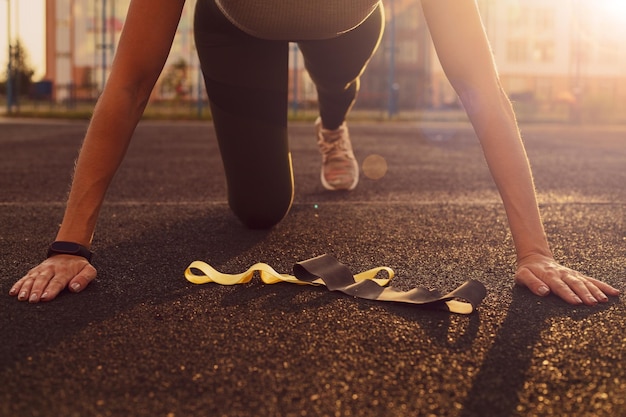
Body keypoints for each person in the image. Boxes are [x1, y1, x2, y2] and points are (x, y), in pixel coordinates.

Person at [9, 0, 620, 305]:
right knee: (260, 208)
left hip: (345, 29)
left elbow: (478, 83)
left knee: (335, 69)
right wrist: (69, 244)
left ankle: (334, 117)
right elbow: (132, 79)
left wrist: (535, 250)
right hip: (237, 29)